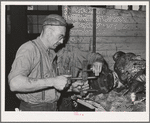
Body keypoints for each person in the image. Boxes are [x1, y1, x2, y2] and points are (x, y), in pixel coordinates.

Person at [8, 14, 104, 111]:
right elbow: (15, 83)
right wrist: (53, 81)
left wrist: (71, 88)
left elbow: (46, 90)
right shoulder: (29, 48)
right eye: (60, 36)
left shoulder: (50, 53)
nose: (62, 41)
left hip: (52, 108)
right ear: (49, 32)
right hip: (33, 110)